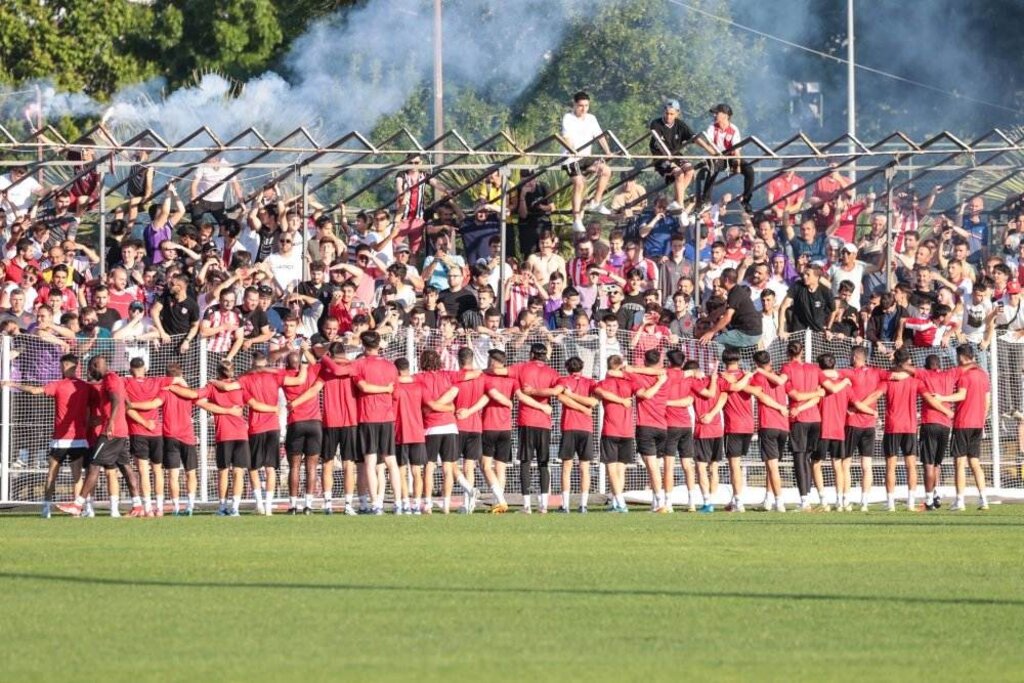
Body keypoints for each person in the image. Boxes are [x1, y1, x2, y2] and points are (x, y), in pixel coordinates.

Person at [4, 354, 92, 518]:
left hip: (60, 439)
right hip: (79, 438)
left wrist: (12, 384)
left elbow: (34, 391)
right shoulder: (85, 387)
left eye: (61, 366)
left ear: (65, 366)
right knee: (77, 476)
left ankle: (46, 509)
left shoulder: (58, 384)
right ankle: (78, 510)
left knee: (52, 474)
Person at [64, 356, 145, 517]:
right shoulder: (117, 378)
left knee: (94, 465)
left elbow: (116, 400)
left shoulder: (109, 378)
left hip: (111, 432)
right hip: (121, 430)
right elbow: (126, 402)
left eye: (90, 369)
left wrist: (110, 422)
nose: (90, 373)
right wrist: (109, 417)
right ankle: (137, 505)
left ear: (96, 365)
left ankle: (77, 505)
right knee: (125, 467)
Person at [507, 343, 564, 513]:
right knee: (543, 463)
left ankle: (527, 506)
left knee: (525, 462)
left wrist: (532, 391)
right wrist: (540, 394)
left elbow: (500, 371)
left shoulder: (521, 368)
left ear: (531, 354)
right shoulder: (552, 372)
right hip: (544, 423)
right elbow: (557, 391)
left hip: (526, 421)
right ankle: (543, 505)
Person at [940, 345, 991, 511]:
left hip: (963, 423)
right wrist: (982, 418)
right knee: (975, 462)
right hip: (978, 423)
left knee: (959, 462)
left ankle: (960, 500)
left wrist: (942, 398)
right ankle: (984, 499)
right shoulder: (983, 374)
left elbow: (961, 395)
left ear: (961, 357)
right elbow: (987, 401)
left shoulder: (965, 375)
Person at [649, 99, 716, 214]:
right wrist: (668, 157)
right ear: (664, 112)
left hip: (676, 155)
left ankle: (676, 200)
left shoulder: (680, 124)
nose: (669, 116)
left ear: (677, 113)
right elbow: (659, 142)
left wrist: (710, 150)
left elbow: (694, 137)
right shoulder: (656, 123)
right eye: (667, 113)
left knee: (690, 170)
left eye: (672, 114)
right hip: (661, 157)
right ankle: (680, 206)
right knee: (679, 173)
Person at [839, 346, 885, 512]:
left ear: (854, 358)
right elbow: (894, 375)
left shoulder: (851, 373)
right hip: (869, 425)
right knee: (867, 464)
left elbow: (832, 374)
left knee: (846, 463)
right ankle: (864, 502)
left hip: (853, 422)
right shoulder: (876, 372)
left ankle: (846, 499)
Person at [593, 355, 640, 513]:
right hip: (627, 430)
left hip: (610, 429)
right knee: (621, 469)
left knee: (612, 469)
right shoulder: (630, 382)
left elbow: (599, 392)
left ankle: (620, 503)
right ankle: (616, 502)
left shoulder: (604, 383)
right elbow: (639, 385)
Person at [552, 356, 598, 513]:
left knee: (567, 467)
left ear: (567, 368)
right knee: (585, 467)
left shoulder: (563, 381)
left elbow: (562, 397)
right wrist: (583, 408)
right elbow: (591, 402)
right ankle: (583, 505)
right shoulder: (590, 382)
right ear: (582, 367)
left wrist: (570, 395)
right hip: (586, 427)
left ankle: (565, 505)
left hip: (569, 426)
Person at [562, 91, 613, 232]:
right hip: (571, 158)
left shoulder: (591, 118)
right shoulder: (568, 118)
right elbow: (566, 138)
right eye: (581, 106)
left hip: (586, 157)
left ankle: (596, 201)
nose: (584, 109)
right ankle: (577, 220)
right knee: (579, 183)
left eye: (586, 106)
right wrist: (572, 150)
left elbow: (600, 136)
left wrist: (608, 151)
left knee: (606, 170)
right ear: (574, 104)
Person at [281, 348, 324, 515]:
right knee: (311, 467)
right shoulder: (312, 371)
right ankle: (308, 506)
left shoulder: (284, 376)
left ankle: (292, 506)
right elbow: (318, 363)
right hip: (314, 423)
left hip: (296, 422)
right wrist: (305, 351)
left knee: (294, 466)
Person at [914, 354, 957, 511]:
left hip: (930, 422)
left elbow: (908, 369)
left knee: (928, 464)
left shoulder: (924, 374)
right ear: (939, 365)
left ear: (926, 366)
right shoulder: (949, 374)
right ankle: (935, 494)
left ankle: (928, 500)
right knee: (937, 463)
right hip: (946, 425)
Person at [749, 351, 790, 512]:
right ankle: (768, 499)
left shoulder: (759, 377)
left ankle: (779, 502)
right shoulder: (779, 375)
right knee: (771, 465)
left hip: (768, 423)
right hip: (783, 425)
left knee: (772, 466)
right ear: (770, 360)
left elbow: (761, 396)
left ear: (756, 363)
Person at [481, 350, 519, 513]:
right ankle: (499, 501)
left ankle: (500, 500)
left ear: (494, 361)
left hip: (489, 425)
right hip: (506, 427)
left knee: (485, 465)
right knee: (500, 467)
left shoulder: (485, 377)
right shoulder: (512, 378)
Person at [698, 103, 754, 214]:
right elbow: (709, 144)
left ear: (725, 115)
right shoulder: (712, 127)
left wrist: (738, 165)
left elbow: (737, 150)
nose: (714, 115)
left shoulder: (734, 129)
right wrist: (716, 155)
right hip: (717, 156)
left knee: (749, 170)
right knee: (712, 167)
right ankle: (706, 200)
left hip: (731, 157)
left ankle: (746, 201)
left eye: (717, 113)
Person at [690, 362, 728, 513]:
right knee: (714, 467)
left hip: (703, 430)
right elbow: (724, 395)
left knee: (701, 467)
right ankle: (711, 500)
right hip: (717, 429)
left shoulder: (693, 383)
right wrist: (713, 414)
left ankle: (707, 502)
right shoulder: (716, 380)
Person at [816, 353, 852, 511]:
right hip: (839, 429)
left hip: (822, 429)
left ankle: (823, 500)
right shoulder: (845, 384)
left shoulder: (819, 382)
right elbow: (855, 403)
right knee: (838, 465)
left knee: (816, 463)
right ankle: (840, 501)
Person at [698, 267, 762, 348]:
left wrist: (711, 332)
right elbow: (722, 309)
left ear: (726, 280)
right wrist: (708, 319)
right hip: (749, 332)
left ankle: (722, 357)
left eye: (721, 277)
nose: (719, 279)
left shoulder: (735, 293)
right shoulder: (735, 291)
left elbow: (727, 317)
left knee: (716, 342)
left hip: (748, 333)